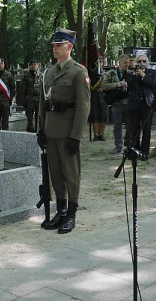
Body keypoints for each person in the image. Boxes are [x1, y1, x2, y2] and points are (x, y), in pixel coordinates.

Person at [37, 28, 90, 234]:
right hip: (51, 130)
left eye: (58, 45)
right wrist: (40, 129)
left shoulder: (79, 72)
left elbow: (84, 107)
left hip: (68, 132)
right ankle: (61, 210)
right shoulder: (48, 72)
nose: (55, 48)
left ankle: (72, 214)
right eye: (53, 45)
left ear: (70, 46)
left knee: (71, 174)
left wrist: (76, 136)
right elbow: (43, 103)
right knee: (56, 174)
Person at [125, 54, 156, 160]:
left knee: (147, 129)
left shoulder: (151, 73)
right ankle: (135, 150)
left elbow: (153, 84)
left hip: (147, 104)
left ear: (147, 63)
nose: (142, 63)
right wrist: (134, 73)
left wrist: (143, 75)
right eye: (139, 61)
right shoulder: (131, 73)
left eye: (144, 61)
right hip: (134, 104)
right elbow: (129, 87)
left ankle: (144, 152)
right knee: (133, 129)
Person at [102, 54, 130, 153]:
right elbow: (104, 86)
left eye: (128, 62)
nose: (127, 64)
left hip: (128, 103)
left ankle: (129, 145)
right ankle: (118, 146)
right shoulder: (111, 73)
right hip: (116, 103)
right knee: (117, 126)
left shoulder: (131, 73)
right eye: (125, 63)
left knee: (130, 125)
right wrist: (117, 85)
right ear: (119, 63)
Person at [88, 57, 108, 141]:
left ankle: (101, 134)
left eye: (101, 61)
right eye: (98, 61)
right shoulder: (91, 74)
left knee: (103, 116)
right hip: (94, 95)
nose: (99, 63)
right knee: (95, 116)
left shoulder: (106, 73)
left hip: (103, 96)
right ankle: (96, 134)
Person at [20, 59, 42, 132]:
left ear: (37, 65)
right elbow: (23, 88)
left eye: (35, 64)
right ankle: (30, 128)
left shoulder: (41, 75)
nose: (33, 66)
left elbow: (43, 87)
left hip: (38, 99)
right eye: (32, 64)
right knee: (29, 115)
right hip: (29, 99)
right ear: (29, 66)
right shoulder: (26, 76)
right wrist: (23, 100)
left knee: (38, 115)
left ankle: (37, 128)